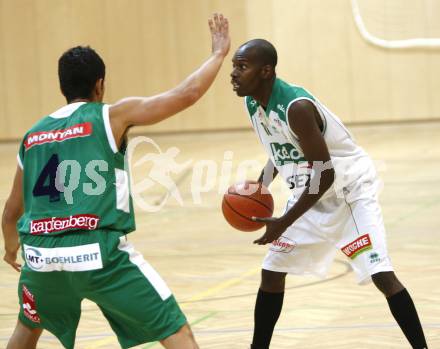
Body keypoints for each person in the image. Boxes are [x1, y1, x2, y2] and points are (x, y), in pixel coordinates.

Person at [1, 14, 230, 349]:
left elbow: (10, 212)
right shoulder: (111, 116)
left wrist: (10, 248)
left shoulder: (32, 135)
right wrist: (218, 54)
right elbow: (187, 93)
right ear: (100, 84)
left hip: (40, 257)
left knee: (28, 326)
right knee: (176, 331)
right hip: (99, 255)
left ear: (62, 87)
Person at [230, 39, 427, 349]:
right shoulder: (253, 103)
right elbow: (280, 151)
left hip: (348, 191)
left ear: (266, 71)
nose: (234, 74)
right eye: (234, 67)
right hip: (310, 190)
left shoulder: (297, 107)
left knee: (381, 275)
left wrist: (282, 221)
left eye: (242, 67)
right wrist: (261, 186)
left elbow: (326, 176)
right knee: (272, 271)